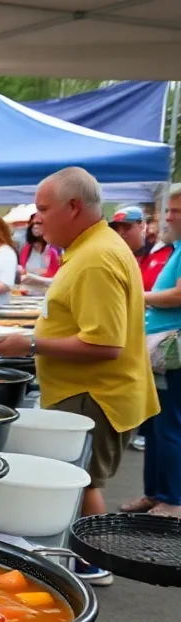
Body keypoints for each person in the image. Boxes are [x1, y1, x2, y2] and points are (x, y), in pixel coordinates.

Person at [0, 167, 158, 587]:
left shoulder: (96, 257)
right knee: (83, 479)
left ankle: (94, 560)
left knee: (82, 480)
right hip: (91, 390)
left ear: (74, 206)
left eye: (43, 209)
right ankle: (93, 557)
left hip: (94, 393)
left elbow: (106, 345)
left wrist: (28, 345)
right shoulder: (92, 248)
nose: (37, 219)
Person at [121, 184, 181, 517]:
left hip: (170, 352)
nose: (168, 216)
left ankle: (172, 498)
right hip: (160, 350)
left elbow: (179, 295)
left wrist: (139, 296)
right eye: (168, 210)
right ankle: (155, 493)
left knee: (169, 424)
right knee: (156, 424)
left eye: (176, 211)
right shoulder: (174, 249)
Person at [19, 213, 61, 294]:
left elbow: (58, 276)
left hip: (48, 294)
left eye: (38, 223)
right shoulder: (26, 250)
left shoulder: (55, 250)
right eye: (33, 224)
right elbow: (23, 271)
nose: (35, 227)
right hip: (28, 295)